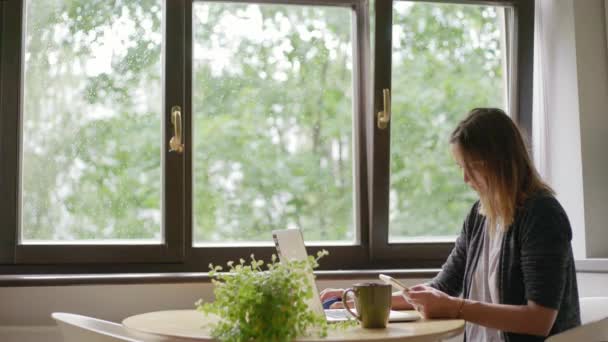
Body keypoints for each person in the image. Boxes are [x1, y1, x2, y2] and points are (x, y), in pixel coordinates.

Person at [321, 108, 581, 341]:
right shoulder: (479, 215)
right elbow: (441, 288)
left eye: (473, 167)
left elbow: (539, 320)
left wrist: (455, 307)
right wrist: (354, 300)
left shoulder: (542, 215)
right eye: (461, 167)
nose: (466, 178)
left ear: (501, 162)